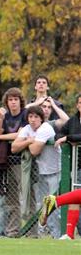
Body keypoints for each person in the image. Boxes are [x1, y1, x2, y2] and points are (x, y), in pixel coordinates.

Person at [11, 106, 63, 238]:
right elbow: (14, 147)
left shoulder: (45, 128)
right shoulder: (27, 129)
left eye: (36, 117)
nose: (33, 120)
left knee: (55, 205)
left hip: (55, 171)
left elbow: (34, 151)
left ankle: (57, 236)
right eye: (30, 117)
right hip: (41, 173)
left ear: (41, 119)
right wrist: (29, 140)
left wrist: (26, 142)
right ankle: (43, 235)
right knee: (43, 206)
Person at [0, 87, 27, 238]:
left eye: (15, 100)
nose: (13, 103)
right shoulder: (4, 116)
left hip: (23, 161)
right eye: (10, 100)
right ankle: (13, 231)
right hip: (8, 162)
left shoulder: (25, 114)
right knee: (11, 199)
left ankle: (32, 232)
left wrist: (0, 138)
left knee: (28, 197)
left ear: (20, 101)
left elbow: (20, 134)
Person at [46, 93, 81, 239]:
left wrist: (69, 138)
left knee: (76, 195)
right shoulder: (73, 120)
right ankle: (69, 234)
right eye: (79, 102)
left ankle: (56, 201)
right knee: (76, 197)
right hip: (78, 164)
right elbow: (59, 134)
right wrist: (64, 138)